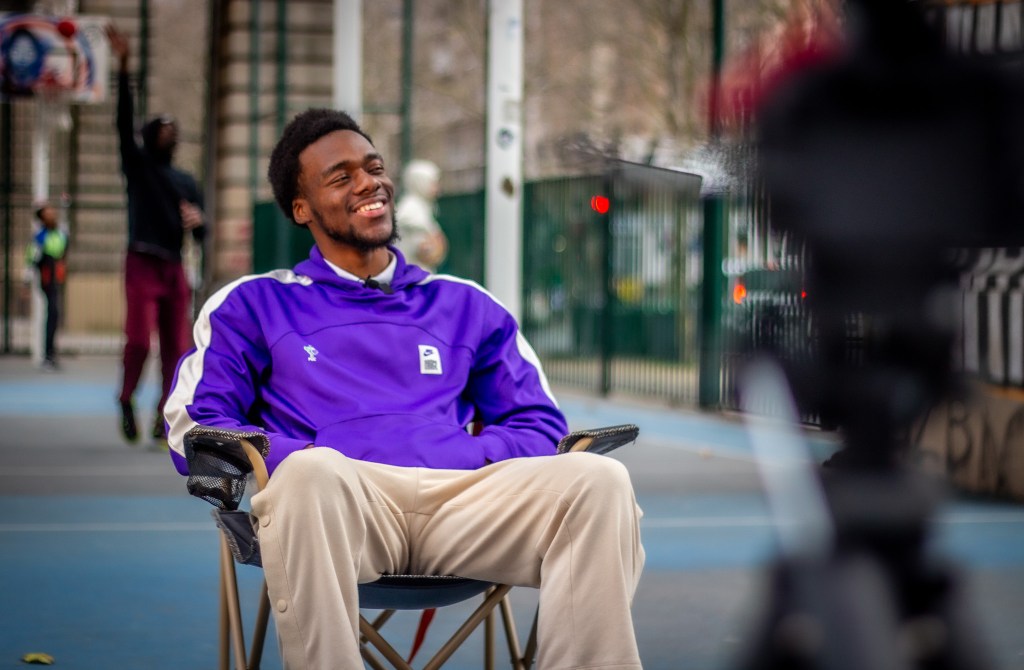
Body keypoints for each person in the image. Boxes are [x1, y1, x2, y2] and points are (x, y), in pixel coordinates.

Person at [164, 109, 645, 669]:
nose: (369, 183)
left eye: (373, 167)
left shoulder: (466, 304)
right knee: (310, 476)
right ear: (302, 209)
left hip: (467, 507)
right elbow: (197, 426)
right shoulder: (253, 304)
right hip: (340, 510)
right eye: (341, 177)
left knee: (599, 480)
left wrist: (463, 458)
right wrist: (304, 459)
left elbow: (540, 426)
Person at [106, 25, 206, 444]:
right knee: (138, 341)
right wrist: (124, 66)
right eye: (162, 126)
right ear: (149, 136)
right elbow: (123, 120)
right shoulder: (140, 167)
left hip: (172, 265)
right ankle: (127, 398)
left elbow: (204, 235)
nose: (170, 130)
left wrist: (199, 225)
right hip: (141, 261)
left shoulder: (185, 181)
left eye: (173, 127)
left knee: (176, 349)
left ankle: (162, 419)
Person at [25, 203, 68, 370]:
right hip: (47, 279)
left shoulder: (60, 233)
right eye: (48, 212)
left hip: (57, 278)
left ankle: (51, 353)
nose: (53, 213)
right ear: (42, 218)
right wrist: (26, 281)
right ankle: (47, 355)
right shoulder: (40, 237)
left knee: (55, 315)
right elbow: (32, 259)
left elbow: (64, 249)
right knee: (52, 313)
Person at [394, 158, 448, 272]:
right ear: (420, 182)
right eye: (433, 183)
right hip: (412, 273)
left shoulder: (425, 206)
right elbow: (404, 221)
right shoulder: (410, 207)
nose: (436, 188)